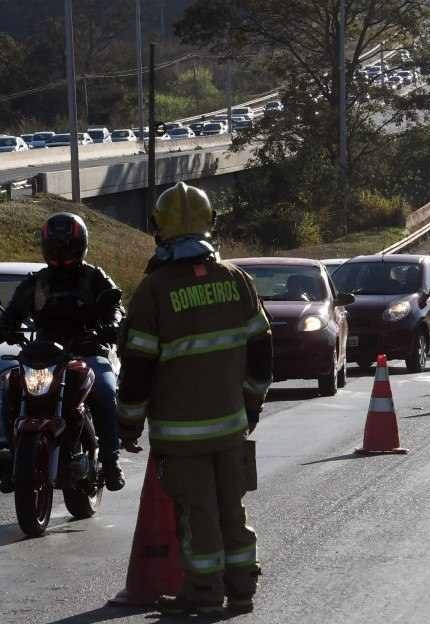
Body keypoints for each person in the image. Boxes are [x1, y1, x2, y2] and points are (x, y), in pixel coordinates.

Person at [116, 182, 273, 616]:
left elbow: (138, 368)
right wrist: (252, 404)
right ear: (210, 224)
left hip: (181, 434)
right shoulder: (237, 280)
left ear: (158, 229)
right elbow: (262, 352)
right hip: (231, 426)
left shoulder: (154, 291)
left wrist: (128, 424)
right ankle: (242, 589)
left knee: (198, 514)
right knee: (232, 509)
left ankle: (203, 594)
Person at [0, 212, 125, 492]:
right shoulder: (37, 282)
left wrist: (113, 325)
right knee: (12, 387)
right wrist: (3, 327)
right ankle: (14, 458)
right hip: (45, 356)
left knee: (105, 391)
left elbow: (117, 307)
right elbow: (14, 311)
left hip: (88, 351)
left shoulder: (94, 277)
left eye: (66, 246)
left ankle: (111, 460)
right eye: (54, 246)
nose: (60, 252)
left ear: (80, 245)